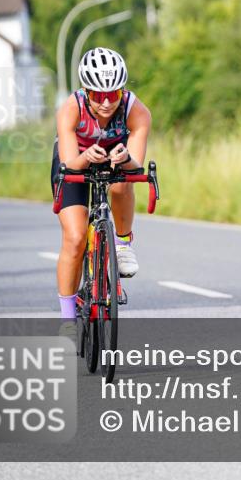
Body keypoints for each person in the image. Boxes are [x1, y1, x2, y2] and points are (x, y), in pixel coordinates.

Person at [53, 47, 151, 323]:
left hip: (114, 157)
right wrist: (85, 156)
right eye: (98, 95)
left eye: (113, 94)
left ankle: (121, 243)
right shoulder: (71, 109)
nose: (107, 103)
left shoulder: (136, 110)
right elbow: (69, 162)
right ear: (86, 91)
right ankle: (67, 320)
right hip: (75, 160)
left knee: (123, 183)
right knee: (75, 238)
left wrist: (126, 158)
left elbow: (137, 164)